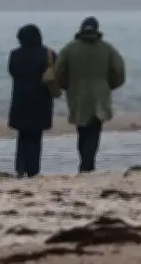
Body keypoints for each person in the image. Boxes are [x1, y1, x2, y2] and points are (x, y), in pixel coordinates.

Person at [54, 16, 125, 174]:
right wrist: (108, 85)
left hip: (77, 94)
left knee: (82, 130)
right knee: (94, 130)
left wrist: (67, 85)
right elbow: (119, 72)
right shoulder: (107, 49)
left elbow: (57, 72)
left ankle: (85, 163)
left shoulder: (69, 49)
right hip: (100, 95)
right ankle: (88, 163)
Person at [7, 24, 57, 178]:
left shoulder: (15, 54)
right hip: (41, 100)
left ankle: (20, 168)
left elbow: (12, 71)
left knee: (22, 135)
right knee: (36, 137)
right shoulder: (49, 54)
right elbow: (57, 73)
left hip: (20, 99)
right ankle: (33, 170)